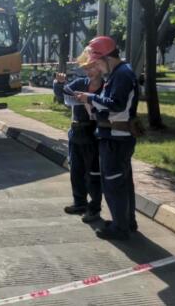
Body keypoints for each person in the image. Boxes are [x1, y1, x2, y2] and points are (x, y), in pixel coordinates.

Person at [74, 36, 139, 241]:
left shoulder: (122, 74)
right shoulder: (118, 73)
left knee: (114, 184)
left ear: (107, 58)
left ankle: (121, 228)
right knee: (122, 183)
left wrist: (90, 98)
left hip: (115, 139)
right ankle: (126, 222)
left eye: (97, 63)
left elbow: (116, 104)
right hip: (115, 136)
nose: (97, 68)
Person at [53, 51, 103, 224]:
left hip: (93, 133)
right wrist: (59, 84)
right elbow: (63, 95)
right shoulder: (81, 83)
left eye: (92, 67)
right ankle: (80, 202)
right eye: (86, 68)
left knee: (93, 173)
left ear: (100, 67)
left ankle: (94, 208)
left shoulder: (106, 87)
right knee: (76, 170)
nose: (89, 71)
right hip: (76, 131)